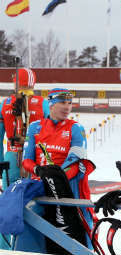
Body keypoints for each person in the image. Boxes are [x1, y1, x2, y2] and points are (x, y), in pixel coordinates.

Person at [22, 88, 96, 252]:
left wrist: (54, 178)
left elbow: (75, 163)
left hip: (69, 189)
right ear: (51, 104)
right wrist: (39, 170)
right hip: (40, 189)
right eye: (62, 102)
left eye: (70, 103)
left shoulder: (76, 128)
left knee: (80, 239)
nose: (67, 107)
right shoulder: (35, 127)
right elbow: (26, 160)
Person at [0, 68, 49, 250]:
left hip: (11, 158)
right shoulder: (43, 104)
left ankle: (4, 247)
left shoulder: (4, 103)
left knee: (7, 201)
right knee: (34, 202)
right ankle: (28, 245)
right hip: (35, 159)